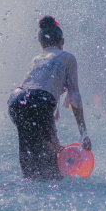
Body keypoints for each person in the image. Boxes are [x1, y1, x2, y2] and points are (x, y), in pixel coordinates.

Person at [8, 16, 90, 180]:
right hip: (40, 101)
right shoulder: (68, 57)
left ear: (42, 44)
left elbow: (38, 87)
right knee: (50, 167)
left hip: (16, 100)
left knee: (30, 157)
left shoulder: (37, 59)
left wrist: (51, 134)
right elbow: (74, 96)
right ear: (63, 41)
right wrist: (84, 133)